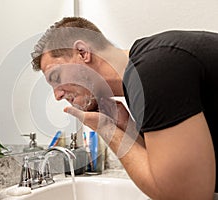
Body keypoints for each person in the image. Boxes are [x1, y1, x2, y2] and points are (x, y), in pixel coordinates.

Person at [31, 17, 218, 199]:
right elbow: (166, 168)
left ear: (82, 52)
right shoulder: (147, 67)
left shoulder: (154, 71)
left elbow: (186, 195)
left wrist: (107, 129)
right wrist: (127, 126)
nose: (57, 96)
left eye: (56, 77)